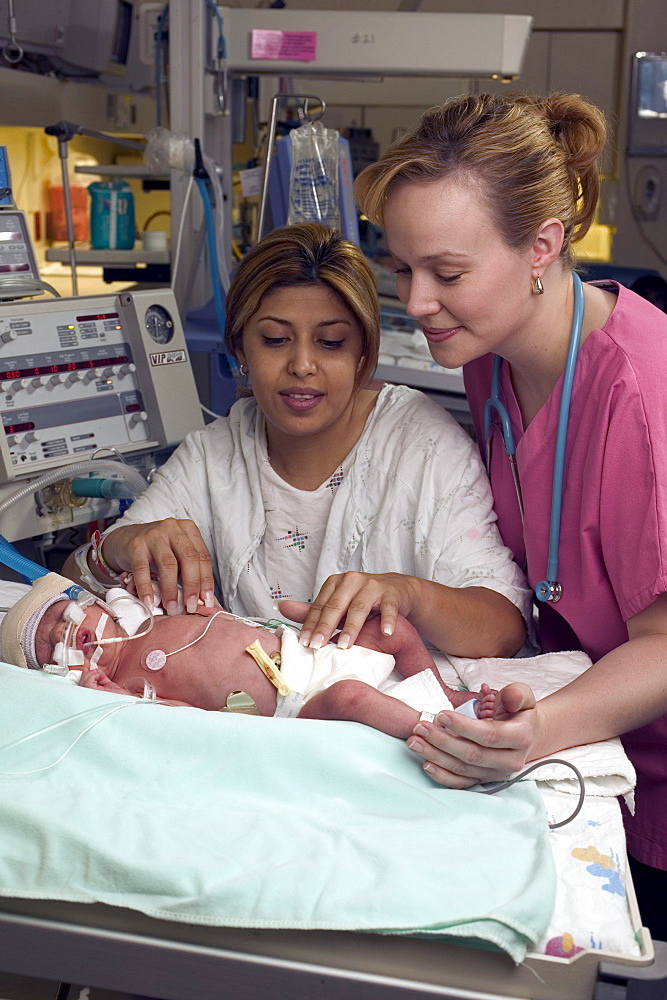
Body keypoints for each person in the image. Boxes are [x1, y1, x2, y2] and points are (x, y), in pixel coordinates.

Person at [351, 91, 667, 938]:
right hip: (592, 744)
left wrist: (538, 732)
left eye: (446, 274)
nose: (417, 302)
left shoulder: (638, 396)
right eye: (402, 269)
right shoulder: (492, 359)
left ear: (541, 246)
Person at [63, 222, 530, 661]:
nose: (302, 365)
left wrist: (410, 594)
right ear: (241, 349)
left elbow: (505, 626)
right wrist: (118, 548)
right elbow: (70, 586)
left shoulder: (422, 447)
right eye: (275, 339)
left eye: (330, 343)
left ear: (364, 352)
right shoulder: (215, 456)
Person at [0, 574, 497, 740]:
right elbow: (172, 721)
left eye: (67, 618)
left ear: (95, 605)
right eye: (51, 645)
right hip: (298, 703)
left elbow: (210, 618)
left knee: (393, 631)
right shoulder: (126, 687)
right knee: (353, 698)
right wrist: (112, 698)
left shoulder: (151, 618)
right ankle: (443, 727)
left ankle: (446, 691)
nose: (70, 635)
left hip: (310, 650)